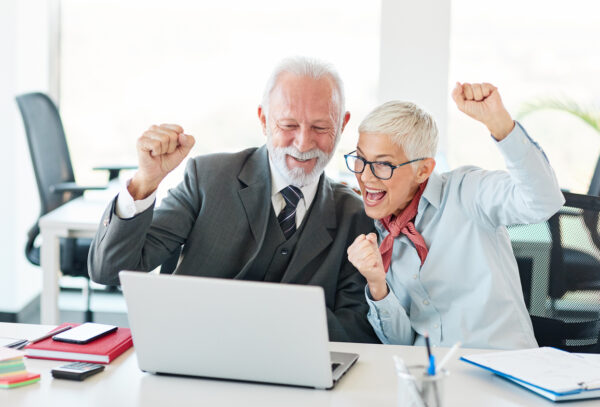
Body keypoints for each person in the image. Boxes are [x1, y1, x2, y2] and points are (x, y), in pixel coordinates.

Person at [88, 56, 379, 343]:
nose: (303, 143)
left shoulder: (355, 214)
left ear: (342, 125)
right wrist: (144, 182)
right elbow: (109, 270)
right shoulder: (208, 178)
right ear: (263, 119)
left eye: (320, 128)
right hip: (191, 361)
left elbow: (356, 331)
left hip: (296, 380)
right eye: (289, 125)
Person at [346, 82, 565, 349]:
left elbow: (544, 201)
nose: (365, 176)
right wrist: (377, 284)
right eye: (360, 159)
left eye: (382, 164)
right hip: (431, 373)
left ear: (423, 170)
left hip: (501, 369)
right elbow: (400, 342)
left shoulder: (469, 193)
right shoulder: (380, 233)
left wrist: (501, 126)